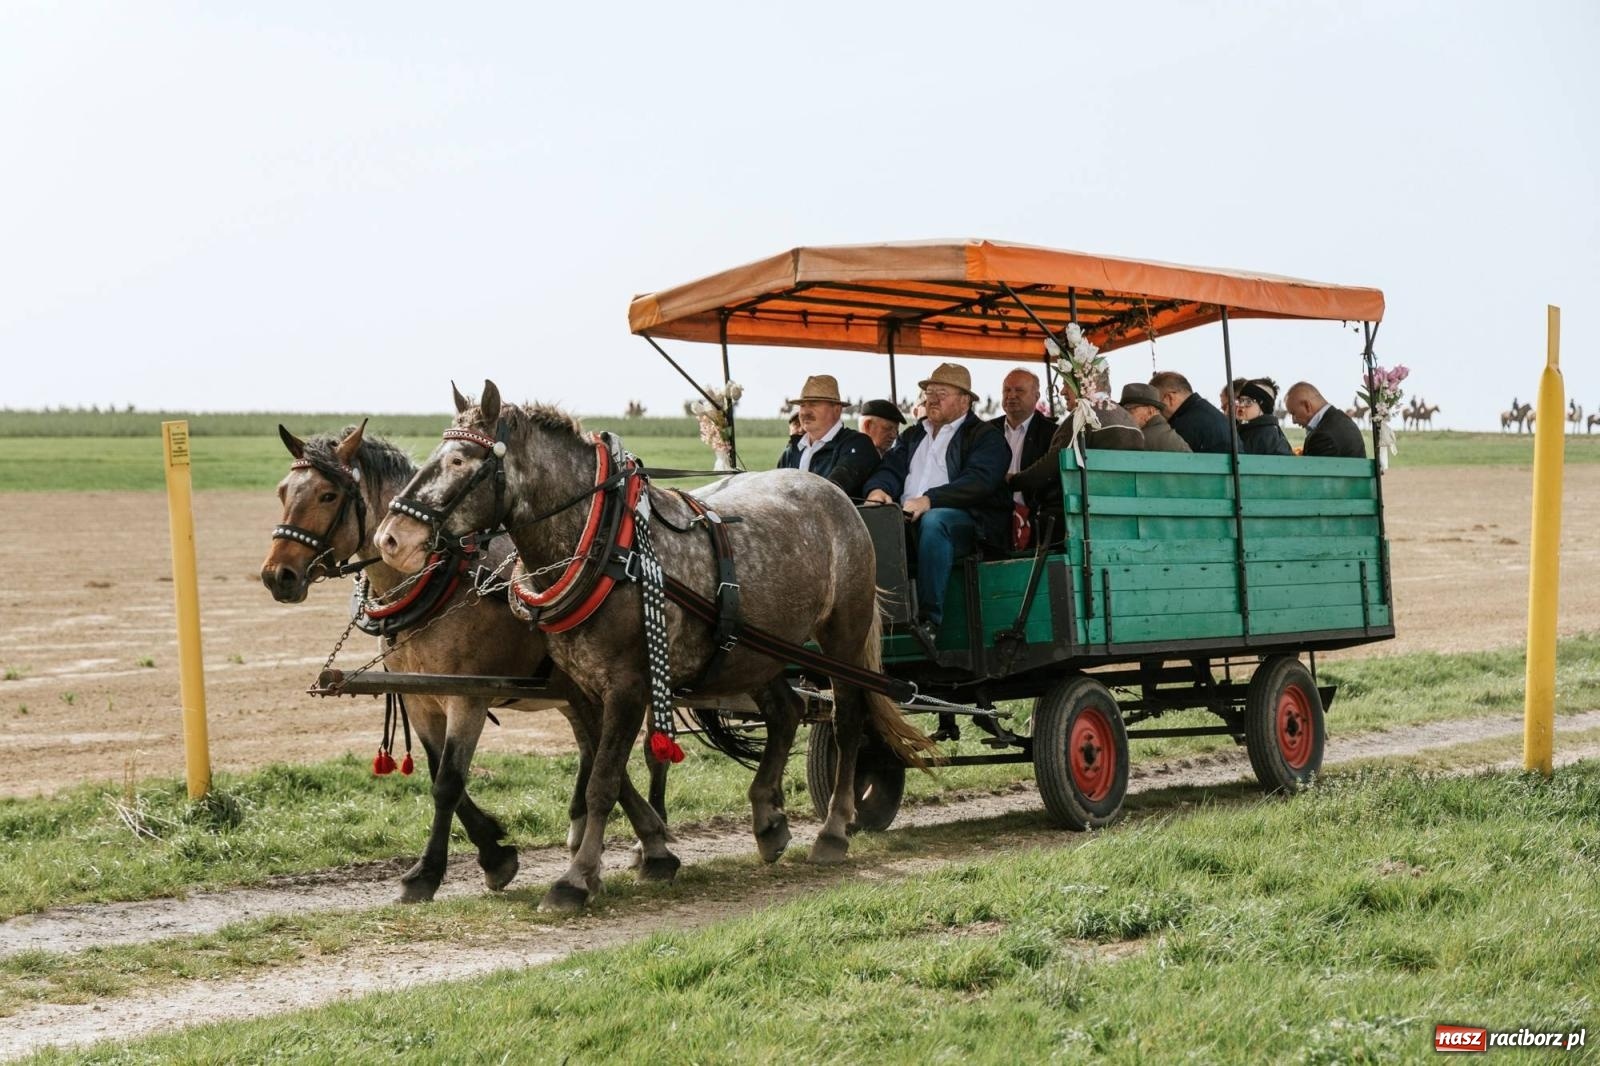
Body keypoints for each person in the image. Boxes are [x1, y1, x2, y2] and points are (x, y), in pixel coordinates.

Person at [862, 362, 1009, 644]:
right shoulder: (913, 435)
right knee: (873, 520)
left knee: (935, 521)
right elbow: (890, 468)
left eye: (942, 392)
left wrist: (930, 500)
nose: (932, 398)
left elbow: (979, 481)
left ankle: (930, 620)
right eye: (929, 392)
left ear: (965, 400)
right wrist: (878, 489)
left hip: (970, 523)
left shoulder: (985, 436)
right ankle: (878, 619)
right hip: (906, 515)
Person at [775, 374, 880, 497]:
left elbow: (832, 492)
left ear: (837, 410)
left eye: (813, 404)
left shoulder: (857, 445)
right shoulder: (792, 451)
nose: (805, 412)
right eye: (802, 405)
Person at [988, 368, 1058, 548]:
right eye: (1006, 390)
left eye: (1019, 390)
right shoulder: (985, 431)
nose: (1011, 395)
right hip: (990, 512)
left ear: (1036, 396)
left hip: (1033, 515)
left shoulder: (1051, 433)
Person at [1152, 371, 1237, 453]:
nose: (1156, 412)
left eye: (1157, 406)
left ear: (1170, 398)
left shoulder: (1184, 425)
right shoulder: (1212, 414)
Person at [1286, 381, 1367, 458]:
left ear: (1307, 406)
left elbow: (1309, 470)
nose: (1294, 421)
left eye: (1294, 414)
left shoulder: (1323, 436)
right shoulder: (1344, 421)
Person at [1118, 383, 1191, 453]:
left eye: (1129, 409)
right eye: (1122, 410)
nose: (1124, 415)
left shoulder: (1140, 441)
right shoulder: (1164, 431)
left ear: (1150, 411)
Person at [1234, 378, 1293, 456]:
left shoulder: (1268, 436)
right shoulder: (1248, 430)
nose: (1241, 405)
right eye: (1240, 400)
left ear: (1264, 406)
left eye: (1248, 402)